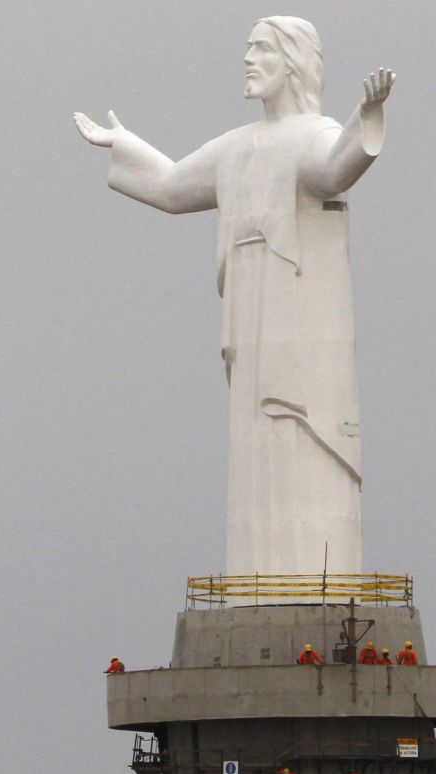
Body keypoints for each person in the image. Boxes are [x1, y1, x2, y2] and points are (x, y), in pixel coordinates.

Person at [74, 17, 396, 579]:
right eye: (248, 48)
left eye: (262, 49)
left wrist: (365, 118)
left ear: (293, 63)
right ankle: (258, 581)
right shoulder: (236, 147)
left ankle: (315, 578)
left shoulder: (313, 135)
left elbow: (332, 169)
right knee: (256, 435)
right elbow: (173, 186)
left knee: (303, 425)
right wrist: (123, 143)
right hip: (250, 310)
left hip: (302, 309)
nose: (248, 59)